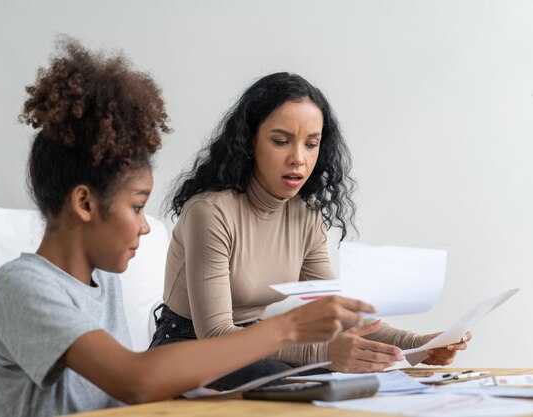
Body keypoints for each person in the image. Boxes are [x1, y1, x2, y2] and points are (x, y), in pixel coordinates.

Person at [0, 39, 376, 417]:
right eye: (137, 206)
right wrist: (286, 329)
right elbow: (134, 379)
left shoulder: (101, 282)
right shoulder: (22, 287)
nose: (146, 227)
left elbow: (125, 397)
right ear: (84, 203)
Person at [149, 72, 471, 389]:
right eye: (281, 141)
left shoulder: (305, 214)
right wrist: (326, 353)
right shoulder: (210, 212)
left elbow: (341, 312)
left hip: (259, 345)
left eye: (311, 144)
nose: (298, 159)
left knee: (318, 380)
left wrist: (418, 345)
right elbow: (216, 336)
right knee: (296, 377)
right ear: (250, 142)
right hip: (187, 349)